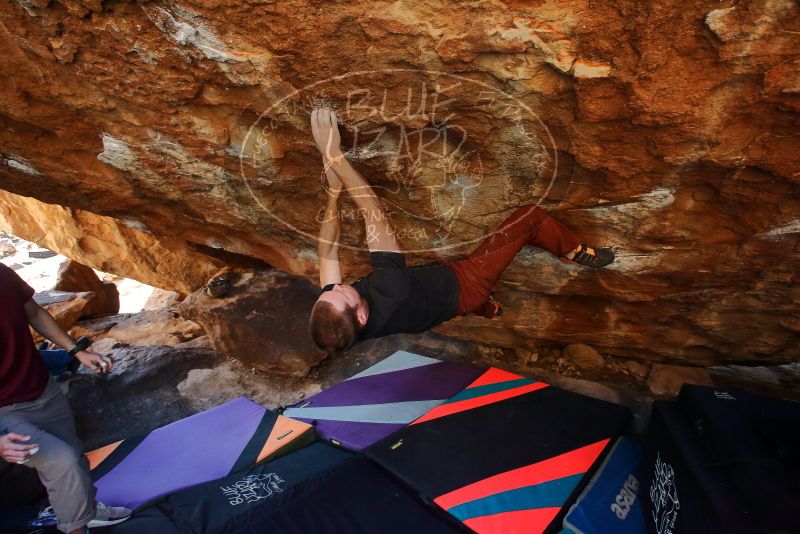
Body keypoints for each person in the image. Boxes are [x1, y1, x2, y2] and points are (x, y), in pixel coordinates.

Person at [308, 107, 615, 354]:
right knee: (529, 218)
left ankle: (486, 307)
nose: (333, 287)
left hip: (433, 299)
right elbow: (373, 210)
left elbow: (328, 250)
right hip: (464, 283)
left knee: (453, 298)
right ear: (361, 317)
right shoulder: (391, 292)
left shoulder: (339, 321)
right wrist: (335, 156)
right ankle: (572, 252)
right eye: (338, 293)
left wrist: (334, 191)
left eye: (327, 292)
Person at [0, 263, 131, 533]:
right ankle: (75, 527)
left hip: (41, 388)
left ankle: (88, 510)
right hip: (5, 412)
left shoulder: (2, 273)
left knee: (75, 455)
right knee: (63, 460)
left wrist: (76, 352)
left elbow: (34, 312)